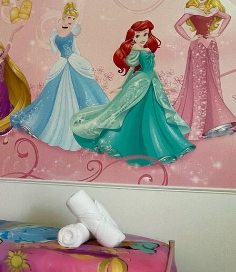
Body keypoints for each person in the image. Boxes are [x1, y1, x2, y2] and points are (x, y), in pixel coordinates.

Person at [71, 20, 195, 166]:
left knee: (155, 116)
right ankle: (132, 146)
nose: (142, 38)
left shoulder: (146, 49)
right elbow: (132, 68)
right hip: (140, 83)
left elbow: (151, 70)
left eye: (145, 34)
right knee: (134, 115)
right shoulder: (136, 49)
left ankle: (160, 147)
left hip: (150, 83)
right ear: (133, 37)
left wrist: (161, 86)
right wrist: (122, 86)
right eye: (138, 35)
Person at [11, 2, 109, 150]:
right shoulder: (56, 34)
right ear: (63, 18)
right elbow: (53, 51)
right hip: (62, 63)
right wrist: (51, 40)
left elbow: (76, 50)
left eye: (73, 19)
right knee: (51, 94)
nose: (71, 21)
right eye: (69, 18)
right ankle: (41, 124)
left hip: (73, 62)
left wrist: (79, 62)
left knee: (84, 90)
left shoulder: (72, 34)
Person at [173, 0, 236, 140]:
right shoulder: (192, 10)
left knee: (212, 81)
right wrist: (189, 37)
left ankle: (214, 122)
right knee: (199, 83)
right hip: (198, 46)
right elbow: (177, 25)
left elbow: (227, 17)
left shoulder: (212, 10)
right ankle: (199, 124)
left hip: (211, 45)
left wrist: (218, 33)